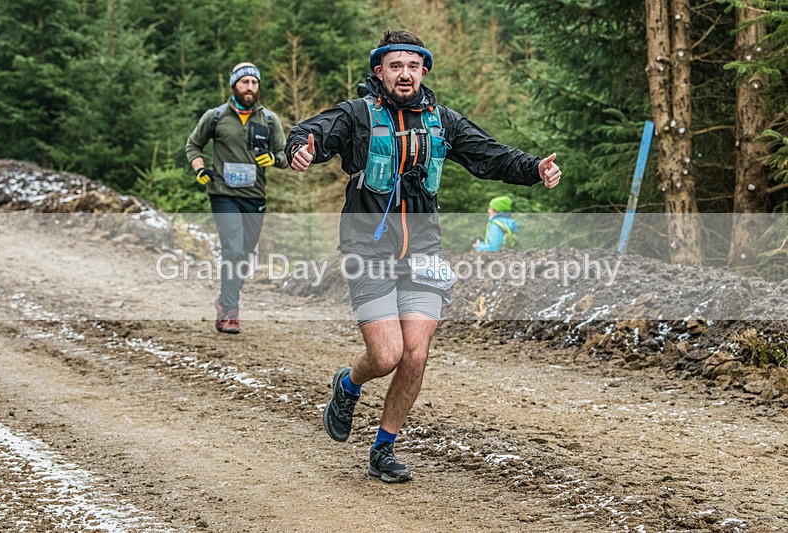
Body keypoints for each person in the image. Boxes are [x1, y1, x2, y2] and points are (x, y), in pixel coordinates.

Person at [286, 30, 561, 483]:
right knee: (388, 354)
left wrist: (534, 169)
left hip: (424, 251)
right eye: (396, 66)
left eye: (413, 66)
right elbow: (313, 132)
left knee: (415, 356)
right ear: (380, 71)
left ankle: (383, 449)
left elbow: (488, 155)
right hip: (368, 249)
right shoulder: (357, 116)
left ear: (424, 72)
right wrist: (300, 148)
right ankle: (349, 384)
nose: (405, 74)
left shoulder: (442, 121)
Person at [186, 62, 288, 334]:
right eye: (245, 83)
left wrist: (274, 159)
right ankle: (230, 312)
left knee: (244, 255)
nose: (250, 88)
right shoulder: (216, 116)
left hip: (254, 197)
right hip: (223, 195)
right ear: (234, 85)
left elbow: (285, 155)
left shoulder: (269, 120)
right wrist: (200, 169)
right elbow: (193, 144)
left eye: (254, 83)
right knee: (232, 248)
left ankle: (223, 300)